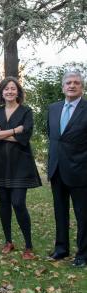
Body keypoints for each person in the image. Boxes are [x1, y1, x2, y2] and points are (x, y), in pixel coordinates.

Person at [0, 77, 41, 260]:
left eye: (13, 88)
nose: (9, 91)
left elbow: (25, 136)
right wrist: (15, 130)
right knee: (4, 204)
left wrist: (3, 133)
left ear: (18, 92)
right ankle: (8, 241)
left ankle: (29, 245)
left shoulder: (26, 111)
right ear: (1, 92)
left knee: (18, 203)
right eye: (6, 89)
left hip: (20, 165)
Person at [47, 70, 87, 268]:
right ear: (63, 87)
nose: (72, 85)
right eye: (68, 82)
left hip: (81, 172)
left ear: (82, 87)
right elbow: (54, 138)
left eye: (76, 83)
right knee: (60, 212)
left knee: (83, 215)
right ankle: (61, 249)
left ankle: (83, 254)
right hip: (57, 170)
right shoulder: (53, 109)